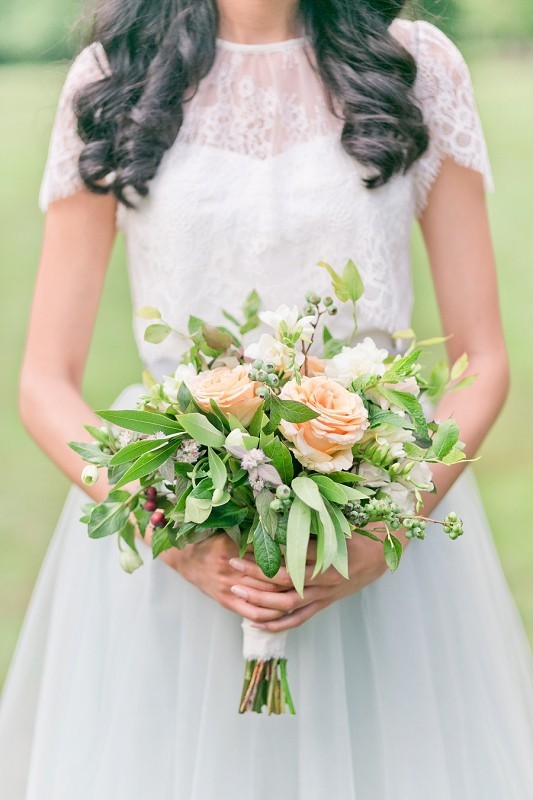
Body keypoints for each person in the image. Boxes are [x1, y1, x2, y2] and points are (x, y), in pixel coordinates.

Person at [1, 0, 532, 797]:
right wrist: (175, 532)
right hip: (174, 539)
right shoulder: (116, 76)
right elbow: (45, 380)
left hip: (384, 540)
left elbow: (481, 359)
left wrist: (377, 535)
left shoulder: (415, 67)